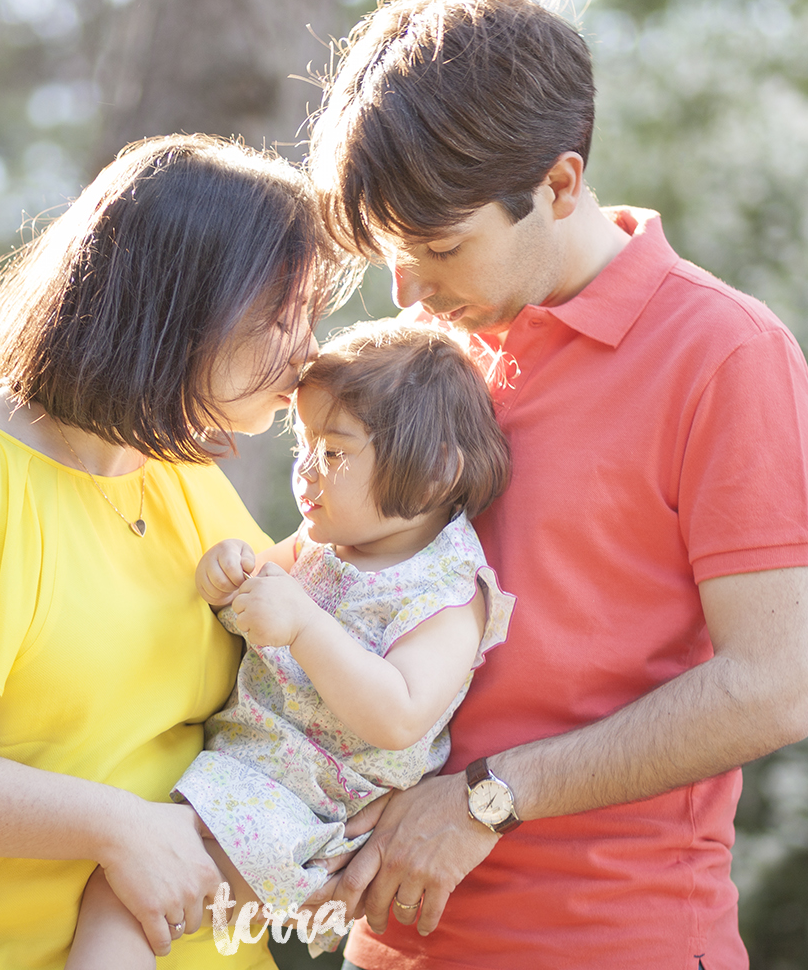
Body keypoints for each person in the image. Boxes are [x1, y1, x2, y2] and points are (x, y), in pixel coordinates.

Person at [305, 0, 808, 968]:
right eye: (391, 253)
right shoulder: (427, 346)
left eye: (439, 248)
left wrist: (489, 798)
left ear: (558, 183)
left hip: (610, 940)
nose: (407, 287)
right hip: (392, 941)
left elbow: (774, 686)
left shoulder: (725, 354)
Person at [0, 133, 362, 970]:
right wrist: (115, 825)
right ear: (177, 304)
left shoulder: (186, 480)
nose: (307, 351)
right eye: (279, 315)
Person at [65, 320, 516, 967]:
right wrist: (227, 575)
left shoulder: (446, 593)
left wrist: (303, 625)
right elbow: (254, 597)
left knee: (129, 895)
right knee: (140, 895)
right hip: (257, 782)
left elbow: (400, 716)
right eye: (304, 444)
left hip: (316, 812)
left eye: (334, 452)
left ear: (438, 468)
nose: (307, 471)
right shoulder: (326, 547)